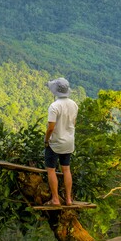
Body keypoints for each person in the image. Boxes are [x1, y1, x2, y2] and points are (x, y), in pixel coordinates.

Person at [44, 77, 78, 206]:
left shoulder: (54, 106)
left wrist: (46, 140)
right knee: (66, 169)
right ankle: (69, 199)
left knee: (51, 170)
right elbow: (73, 123)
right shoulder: (74, 104)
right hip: (69, 142)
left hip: (55, 142)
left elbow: (51, 127)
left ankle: (55, 199)